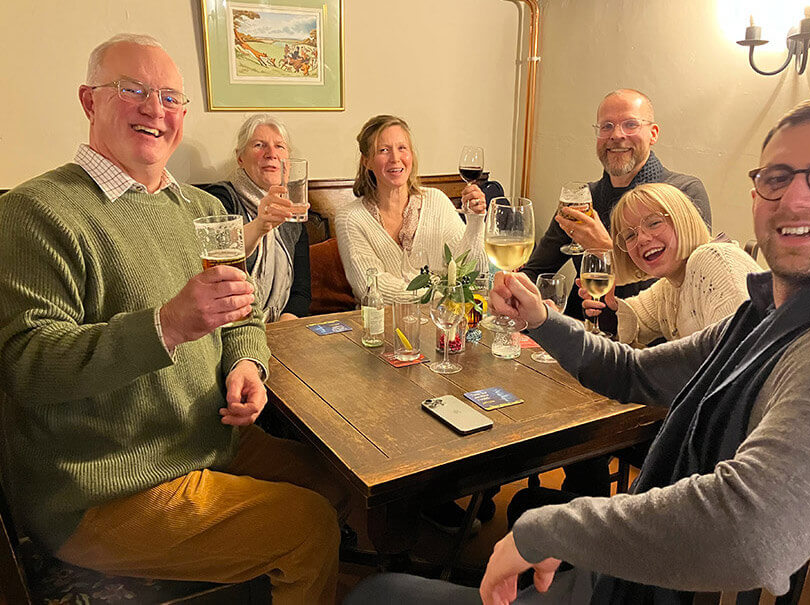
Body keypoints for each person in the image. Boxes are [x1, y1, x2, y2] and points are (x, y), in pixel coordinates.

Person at [344, 98, 810, 604]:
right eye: (777, 177)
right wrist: (542, 320)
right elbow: (634, 371)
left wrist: (552, 528)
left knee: (377, 594)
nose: (797, 197)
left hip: (660, 587)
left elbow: (752, 533)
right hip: (646, 571)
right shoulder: (767, 315)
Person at [0, 34, 348, 604]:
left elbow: (244, 315)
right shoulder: (35, 213)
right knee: (307, 528)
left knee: (340, 480)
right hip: (103, 488)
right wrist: (166, 326)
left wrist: (250, 366)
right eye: (132, 90)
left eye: (170, 97)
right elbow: (27, 368)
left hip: (208, 439)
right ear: (90, 102)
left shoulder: (206, 211)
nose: (154, 109)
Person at [522, 88, 711, 332]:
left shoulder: (683, 193)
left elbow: (685, 293)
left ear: (653, 133)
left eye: (630, 124)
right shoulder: (581, 200)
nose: (617, 135)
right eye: (607, 126)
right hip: (579, 335)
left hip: (650, 348)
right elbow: (537, 271)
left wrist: (605, 251)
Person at [584, 182, 761, 346]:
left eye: (654, 223)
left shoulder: (713, 259)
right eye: (630, 236)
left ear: (683, 220)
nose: (642, 239)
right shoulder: (670, 285)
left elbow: (736, 356)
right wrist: (608, 310)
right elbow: (635, 320)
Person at [335, 114, 489, 303]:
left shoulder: (437, 201)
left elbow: (472, 271)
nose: (395, 158)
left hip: (443, 324)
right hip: (381, 327)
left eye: (402, 148)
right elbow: (372, 288)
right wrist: (445, 294)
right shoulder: (350, 218)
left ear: (412, 155)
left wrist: (475, 221)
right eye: (383, 150)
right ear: (366, 161)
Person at [204, 114, 311, 322]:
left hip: (281, 329)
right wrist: (261, 225)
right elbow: (218, 264)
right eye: (259, 145)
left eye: (280, 147)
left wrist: (283, 331)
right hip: (233, 328)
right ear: (240, 157)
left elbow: (301, 292)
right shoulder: (220, 198)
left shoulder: (294, 209)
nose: (271, 154)